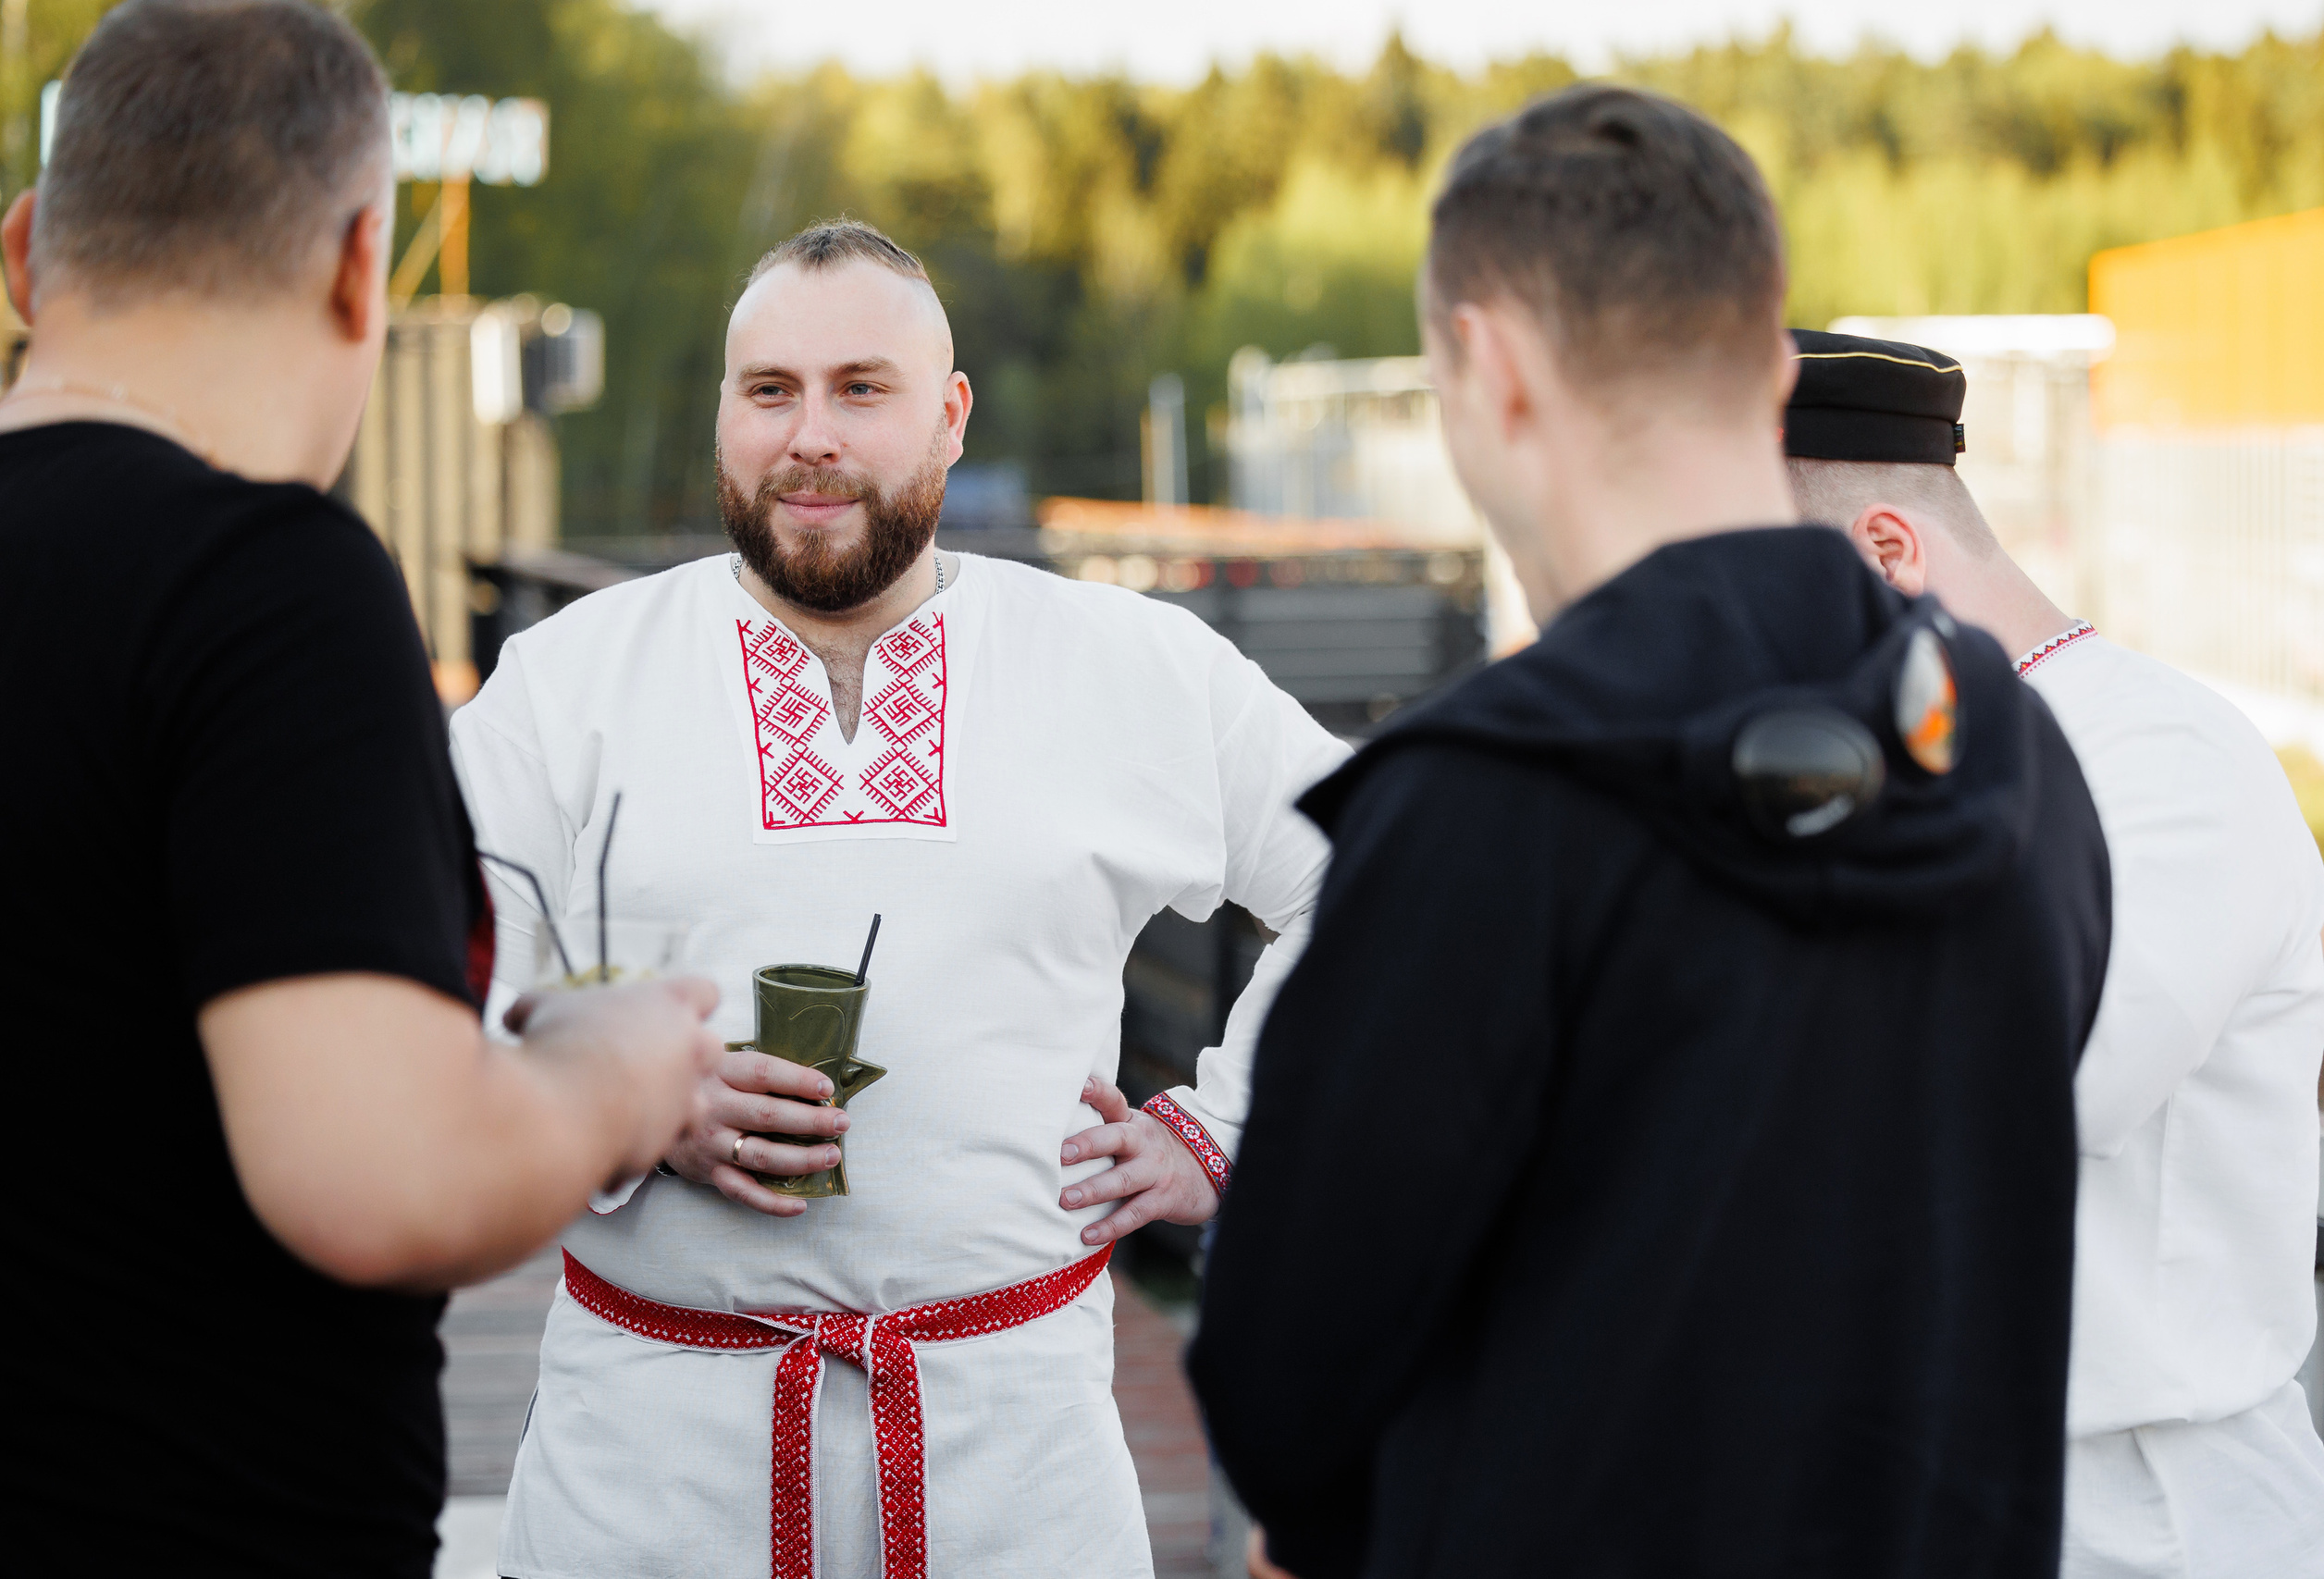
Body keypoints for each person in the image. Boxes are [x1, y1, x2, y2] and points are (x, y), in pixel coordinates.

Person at [1189, 84, 2113, 1579]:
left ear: (1487, 369)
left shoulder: (1480, 802)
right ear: (1766, 358)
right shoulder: (2008, 752)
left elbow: (1282, 1395)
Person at [448, 217, 1347, 1578]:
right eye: (771, 392)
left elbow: (1376, 871)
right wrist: (627, 1099)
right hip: (643, 1490)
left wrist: (1218, 1128)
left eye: (862, 389)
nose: (812, 437)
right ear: (727, 414)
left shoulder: (1130, 667)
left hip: (1020, 1485)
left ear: (951, 414)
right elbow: (428, 957)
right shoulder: (572, 681)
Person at [0, 5, 722, 1575]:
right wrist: (611, 1072)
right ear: (353, 265)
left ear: (23, 256)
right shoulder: (262, 588)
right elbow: (383, 1180)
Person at [1785, 327, 2324, 1579]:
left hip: (2148, 1529)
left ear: (1887, 555)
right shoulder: (1868, 765)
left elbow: (2015, 1082)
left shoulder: (2166, 763)